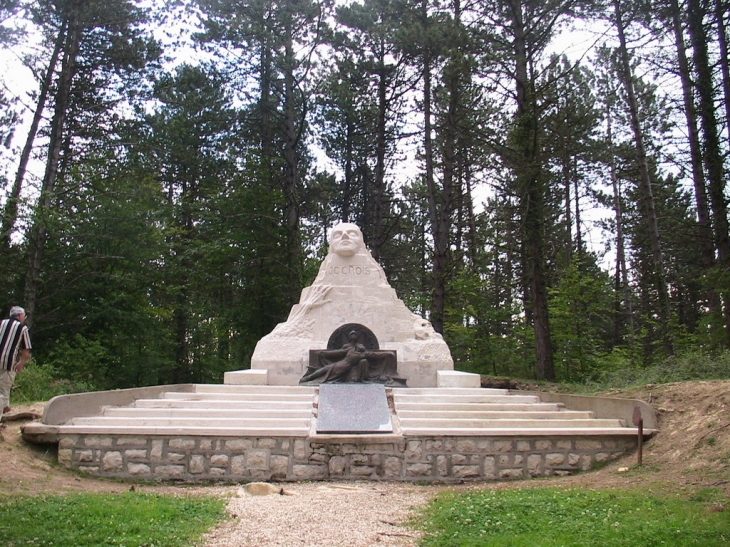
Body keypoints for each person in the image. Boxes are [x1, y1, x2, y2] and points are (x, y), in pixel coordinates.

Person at [0, 306, 32, 421]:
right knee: (3, 390)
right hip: (7, 361)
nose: (25, 318)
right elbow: (26, 349)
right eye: (24, 316)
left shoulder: (1, 323)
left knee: (4, 387)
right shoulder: (22, 328)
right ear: (19, 315)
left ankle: (6, 407)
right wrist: (21, 363)